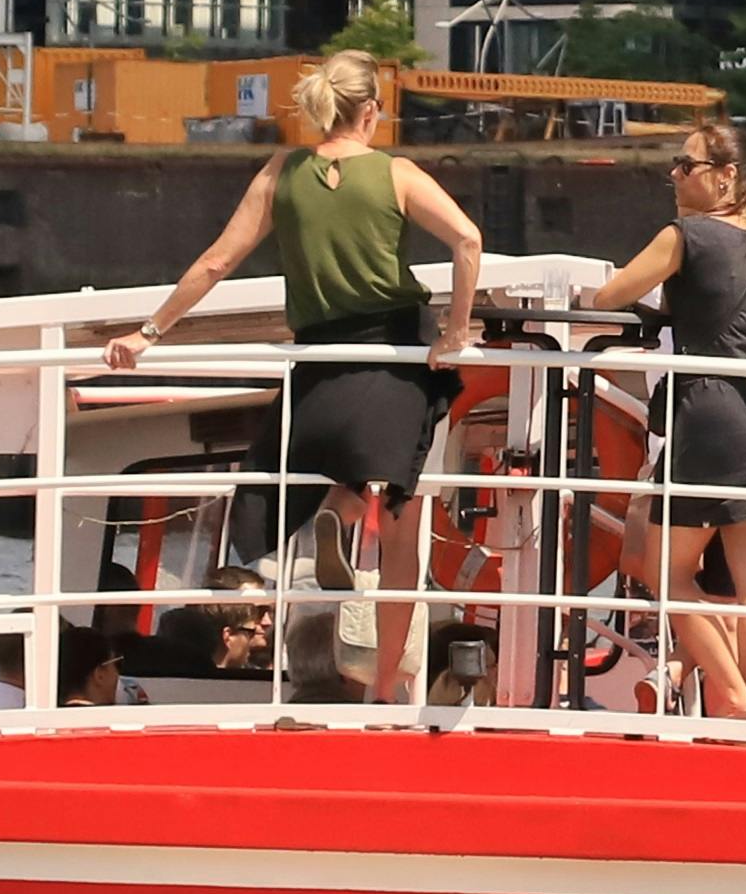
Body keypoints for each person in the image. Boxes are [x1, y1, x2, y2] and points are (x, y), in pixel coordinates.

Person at [102, 49, 484, 706]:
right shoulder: (395, 174)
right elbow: (467, 240)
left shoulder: (283, 171)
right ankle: (387, 687)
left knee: (330, 466)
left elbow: (219, 260)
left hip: (318, 371)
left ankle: (338, 510)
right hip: (393, 360)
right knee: (401, 536)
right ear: (370, 111)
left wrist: (148, 332)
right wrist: (453, 332)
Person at [584, 116, 746, 718]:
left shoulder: (687, 235)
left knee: (666, 568)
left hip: (712, 411)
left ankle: (733, 699)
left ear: (726, 177)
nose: (674, 175)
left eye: (687, 166)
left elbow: (610, 295)